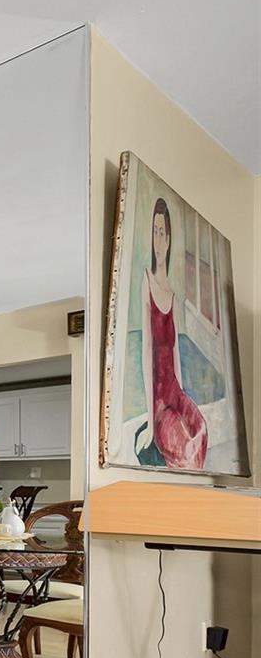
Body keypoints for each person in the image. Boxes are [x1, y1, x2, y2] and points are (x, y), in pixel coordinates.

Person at [141, 197, 207, 468]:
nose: (158, 240)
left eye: (162, 233)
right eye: (154, 232)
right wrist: (148, 416)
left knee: (200, 428)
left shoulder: (172, 293)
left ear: (168, 239)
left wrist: (181, 394)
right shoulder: (146, 280)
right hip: (159, 403)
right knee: (181, 444)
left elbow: (175, 349)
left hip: (174, 392)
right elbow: (147, 351)